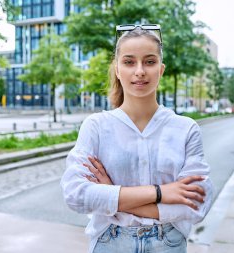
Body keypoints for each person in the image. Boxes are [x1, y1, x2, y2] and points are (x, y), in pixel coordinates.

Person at [61, 24, 213, 253]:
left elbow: (196, 206)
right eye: (129, 62)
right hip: (110, 243)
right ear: (117, 69)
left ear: (161, 70)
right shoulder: (97, 127)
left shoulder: (186, 129)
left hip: (168, 244)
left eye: (149, 62)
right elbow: (76, 195)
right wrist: (161, 192)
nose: (140, 71)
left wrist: (113, 196)